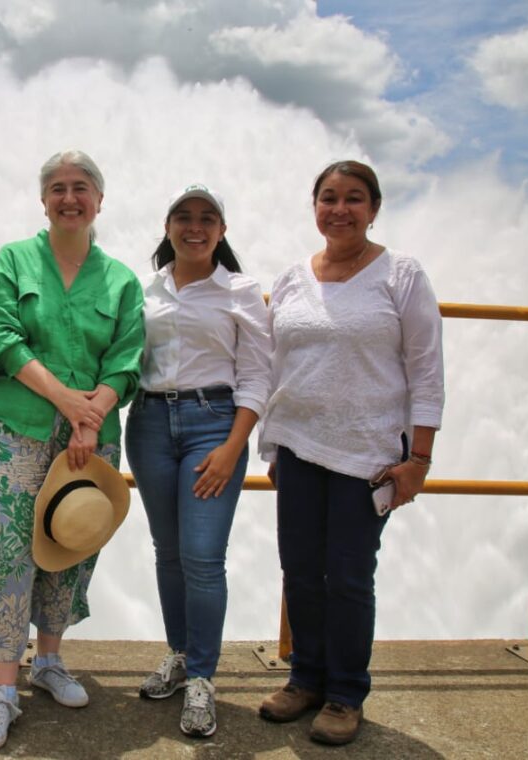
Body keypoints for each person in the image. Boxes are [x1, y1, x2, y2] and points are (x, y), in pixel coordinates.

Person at [256, 160, 444, 745]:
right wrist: (274, 441)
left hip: (368, 455)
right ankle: (305, 678)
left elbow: (426, 371)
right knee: (301, 572)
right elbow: (277, 362)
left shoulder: (401, 275)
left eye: (354, 199)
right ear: (314, 206)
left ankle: (344, 693)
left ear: (374, 208)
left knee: (350, 577)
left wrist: (419, 460)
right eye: (329, 198)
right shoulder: (291, 278)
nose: (340, 209)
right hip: (299, 447)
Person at [0, 149, 144, 752]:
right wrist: (70, 403)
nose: (69, 198)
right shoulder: (15, 261)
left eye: (81, 188)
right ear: (44, 200)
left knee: (71, 542)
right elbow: (1, 336)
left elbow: (127, 358)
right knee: (14, 549)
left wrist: (91, 413)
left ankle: (49, 660)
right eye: (58, 188)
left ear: (99, 200)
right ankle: (3, 688)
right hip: (16, 426)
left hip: (92, 434)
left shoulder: (120, 278)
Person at [125, 184, 272, 738]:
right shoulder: (144, 289)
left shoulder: (240, 290)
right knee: (168, 552)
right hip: (149, 422)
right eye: (183, 217)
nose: (195, 226)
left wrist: (233, 447)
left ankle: (204, 678)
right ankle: (181, 654)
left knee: (203, 556)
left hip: (215, 423)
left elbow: (258, 375)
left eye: (207, 218)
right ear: (167, 227)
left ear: (222, 231)